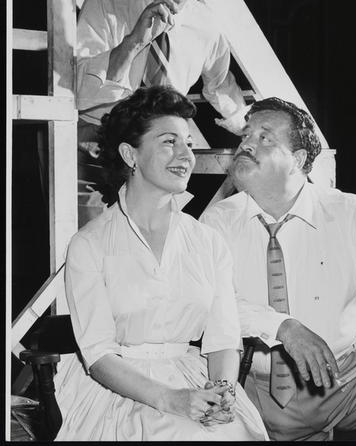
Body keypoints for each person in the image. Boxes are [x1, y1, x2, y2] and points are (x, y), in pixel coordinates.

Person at [200, 96, 356, 441]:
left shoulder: (350, 213)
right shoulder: (217, 221)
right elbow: (212, 302)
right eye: (246, 136)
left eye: (264, 137)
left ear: (298, 159)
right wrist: (283, 327)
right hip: (265, 386)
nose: (247, 145)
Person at [53, 86, 268, 441]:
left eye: (188, 143)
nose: (186, 155)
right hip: (119, 391)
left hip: (193, 379)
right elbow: (99, 356)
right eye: (170, 142)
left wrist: (223, 393)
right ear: (130, 154)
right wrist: (172, 400)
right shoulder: (89, 245)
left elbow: (223, 338)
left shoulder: (208, 242)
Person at [76, 0, 247, 225]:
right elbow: (81, 90)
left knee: (153, 241)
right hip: (95, 144)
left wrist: (249, 127)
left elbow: (221, 85)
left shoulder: (207, 24)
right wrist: (134, 41)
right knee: (90, 242)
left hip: (159, 150)